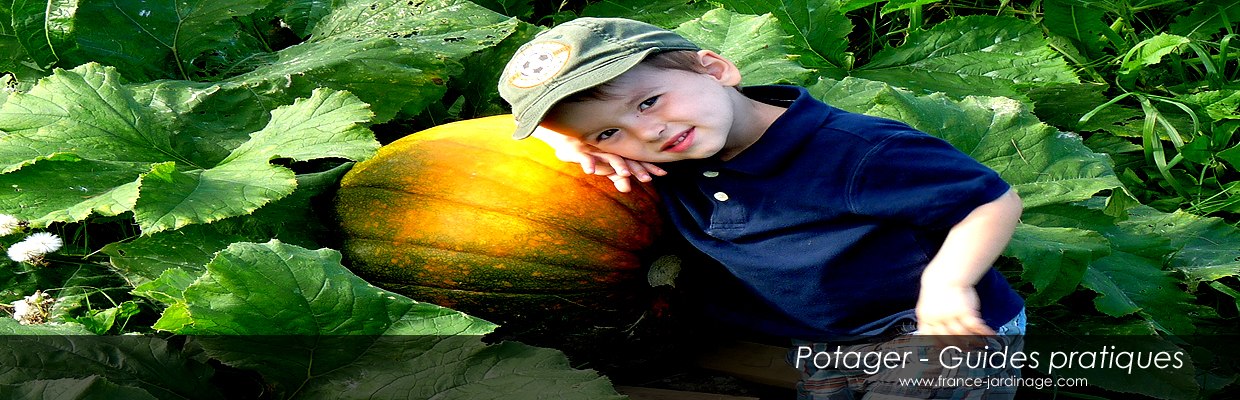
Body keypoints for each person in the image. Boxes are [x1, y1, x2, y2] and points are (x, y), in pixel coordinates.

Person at [497, 17, 1026, 399]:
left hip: (932, 329)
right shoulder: (673, 148)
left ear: (716, 68)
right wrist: (570, 144)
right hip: (815, 338)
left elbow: (991, 201)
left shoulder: (855, 151)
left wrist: (947, 286)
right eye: (610, 132)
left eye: (649, 101)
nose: (648, 132)